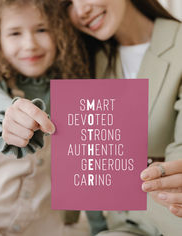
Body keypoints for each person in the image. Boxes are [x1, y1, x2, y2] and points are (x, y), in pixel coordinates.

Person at [0, 0, 89, 235]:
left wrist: (100, 228)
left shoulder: (75, 92)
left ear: (60, 32)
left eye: (42, 30)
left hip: (42, 229)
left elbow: (88, 171)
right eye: (14, 33)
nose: (29, 44)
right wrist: (8, 116)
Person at [60, 0, 182, 235]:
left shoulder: (178, 46)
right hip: (127, 226)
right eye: (67, 3)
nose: (81, 10)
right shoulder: (86, 61)